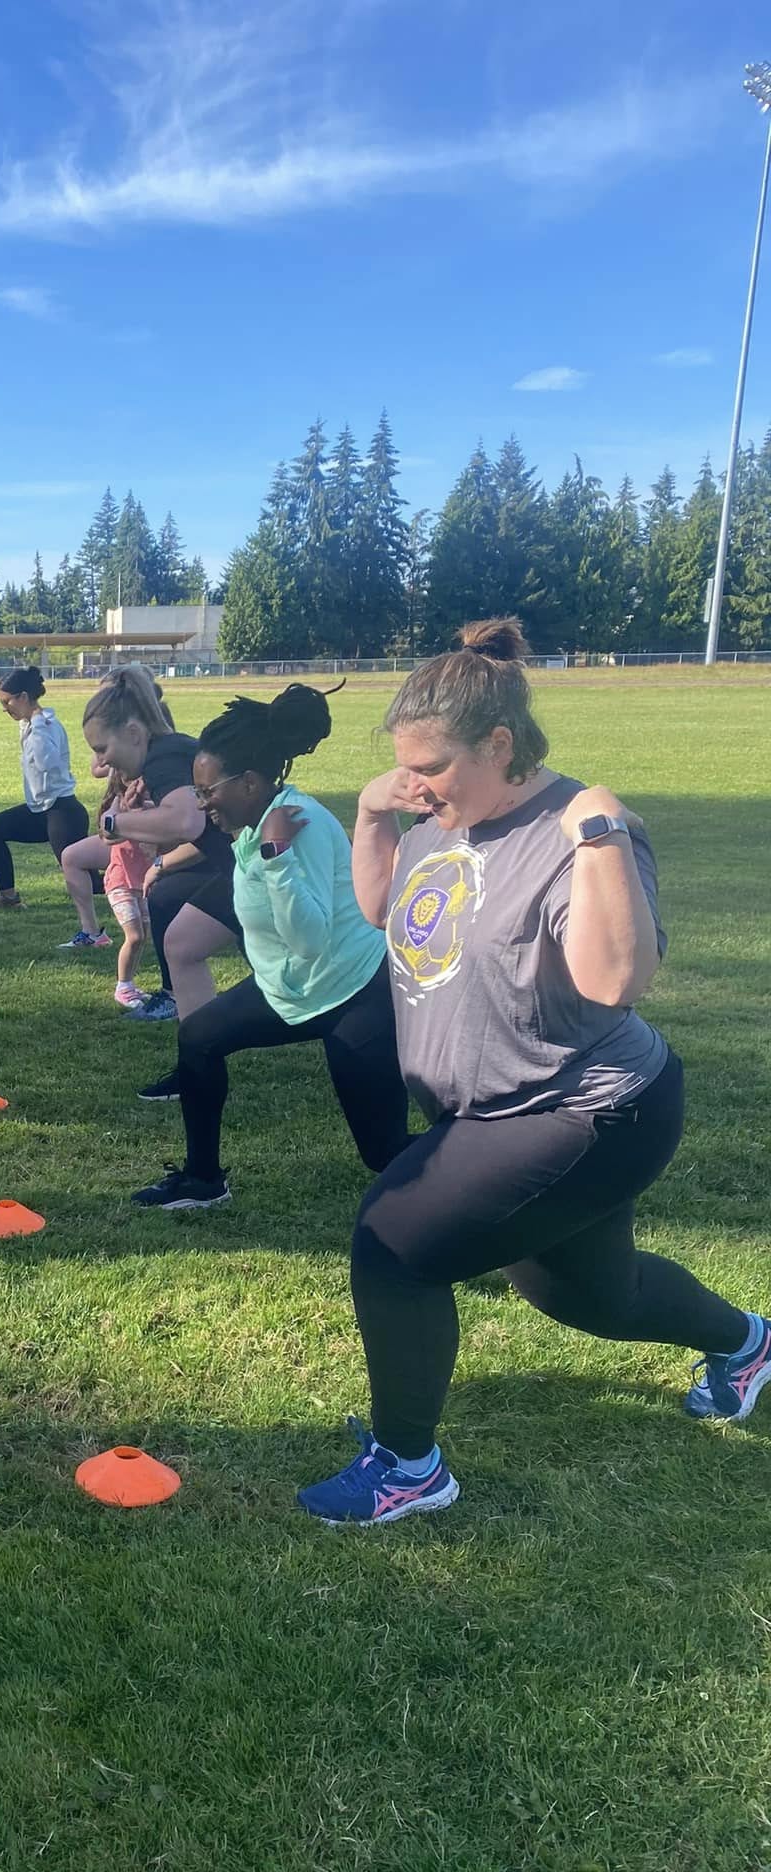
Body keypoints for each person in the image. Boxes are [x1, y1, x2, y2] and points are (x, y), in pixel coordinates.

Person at [296, 617, 767, 1526]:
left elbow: (614, 981)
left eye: (430, 767)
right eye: (407, 769)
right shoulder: (443, 816)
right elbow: (387, 909)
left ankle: (408, 1466)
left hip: (587, 1107)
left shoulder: (576, 832)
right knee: (587, 1293)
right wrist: (370, 815)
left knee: (394, 1244)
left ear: (499, 743)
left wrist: (601, 840)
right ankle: (747, 1344)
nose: (417, 786)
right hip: (493, 1105)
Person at [131, 689, 408, 1210]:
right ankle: (203, 1180)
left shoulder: (293, 826)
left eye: (207, 789)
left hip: (353, 994)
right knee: (200, 1037)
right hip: (291, 991)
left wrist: (275, 856)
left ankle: (502, 1164)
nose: (201, 801)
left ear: (251, 783)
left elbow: (307, 941)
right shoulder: (255, 822)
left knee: (385, 1152)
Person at [79, 665, 243, 1046]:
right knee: (181, 943)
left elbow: (185, 822)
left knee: (287, 983)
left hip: (262, 870)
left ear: (134, 733)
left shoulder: (162, 756)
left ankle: (202, 1054)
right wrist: (137, 817)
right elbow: (182, 833)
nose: (102, 762)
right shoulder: (167, 753)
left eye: (102, 749)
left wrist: (118, 822)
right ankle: (198, 1057)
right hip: (240, 869)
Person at [0, 666, 90, 908]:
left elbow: (45, 762)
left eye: (6, 701)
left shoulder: (46, 725)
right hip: (40, 810)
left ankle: (142, 883)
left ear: (23, 697)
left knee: (89, 880)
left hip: (62, 812)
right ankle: (8, 898)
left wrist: (37, 721)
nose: (4, 708)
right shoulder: (30, 723)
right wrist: (31, 720)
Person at [58, 759, 156, 1008]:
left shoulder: (153, 806)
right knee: (133, 936)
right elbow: (109, 831)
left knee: (143, 936)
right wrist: (129, 815)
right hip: (120, 882)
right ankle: (123, 987)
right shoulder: (119, 806)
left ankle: (130, 985)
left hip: (141, 882)